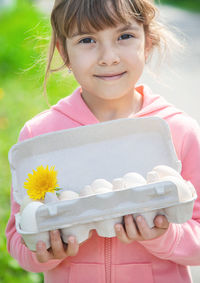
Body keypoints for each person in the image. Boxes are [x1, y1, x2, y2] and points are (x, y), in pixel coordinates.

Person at [6, 0, 200, 282]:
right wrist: (43, 251)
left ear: (147, 41)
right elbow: (17, 238)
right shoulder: (41, 137)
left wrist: (166, 236)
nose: (108, 57)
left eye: (125, 36)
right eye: (87, 40)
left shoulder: (177, 131)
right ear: (64, 53)